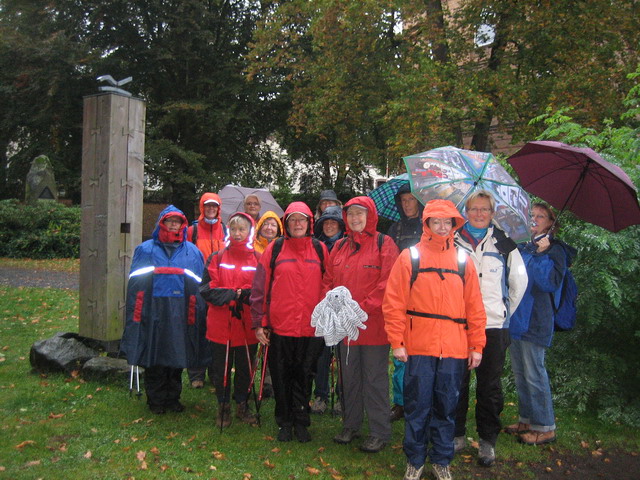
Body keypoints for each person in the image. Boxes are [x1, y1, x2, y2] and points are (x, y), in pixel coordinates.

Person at [383, 199, 487, 480]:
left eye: (447, 222)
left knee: (446, 407)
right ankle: (415, 460)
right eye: (436, 221)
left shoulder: (463, 260)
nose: (442, 227)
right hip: (419, 346)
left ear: (454, 225)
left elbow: (475, 307)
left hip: (454, 347)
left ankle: (442, 460)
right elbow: (393, 303)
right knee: (417, 406)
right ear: (426, 224)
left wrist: (476, 345)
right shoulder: (410, 257)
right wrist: (397, 342)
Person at [453, 191, 528, 466]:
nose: (479, 214)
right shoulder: (452, 241)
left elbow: (519, 282)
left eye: (485, 209)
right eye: (474, 209)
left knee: (490, 387)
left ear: (492, 213)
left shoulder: (505, 244)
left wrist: (505, 312)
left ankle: (487, 441)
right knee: (456, 383)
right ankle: (455, 435)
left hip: (494, 326)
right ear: (466, 211)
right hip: (458, 325)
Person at [323, 196, 399, 453]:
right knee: (349, 378)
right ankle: (351, 424)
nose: (355, 219)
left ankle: (379, 431)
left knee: (374, 379)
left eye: (360, 214)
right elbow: (328, 280)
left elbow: (388, 283)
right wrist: (332, 305)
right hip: (345, 329)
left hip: (373, 327)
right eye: (351, 214)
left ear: (370, 216)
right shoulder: (340, 246)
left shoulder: (384, 244)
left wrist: (359, 310)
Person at [250, 202, 328, 442]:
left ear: (309, 223)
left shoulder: (319, 249)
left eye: (302, 220)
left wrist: (327, 318)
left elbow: (328, 285)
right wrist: (259, 321)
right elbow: (260, 288)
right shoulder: (275, 249)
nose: (297, 224)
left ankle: (301, 420)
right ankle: (284, 422)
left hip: (310, 327)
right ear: (286, 223)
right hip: (281, 326)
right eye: (293, 220)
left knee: (305, 374)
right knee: (282, 375)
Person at [120, 205, 209, 414]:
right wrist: (139, 311)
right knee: (156, 353)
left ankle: (173, 397)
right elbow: (136, 285)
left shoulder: (192, 252)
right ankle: (156, 399)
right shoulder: (146, 249)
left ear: (182, 225)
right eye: (170, 221)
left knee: (178, 354)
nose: (173, 225)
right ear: (162, 223)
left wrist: (194, 310)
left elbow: (198, 286)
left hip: (180, 311)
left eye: (177, 222)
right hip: (154, 310)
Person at [505, 203, 573, 446]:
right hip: (517, 318)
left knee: (535, 373)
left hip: (537, 320)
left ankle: (545, 427)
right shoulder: (524, 245)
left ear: (551, 222)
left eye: (540, 216)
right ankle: (526, 419)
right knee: (521, 373)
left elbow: (548, 284)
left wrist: (543, 253)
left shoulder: (556, 251)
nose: (534, 219)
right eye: (531, 215)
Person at [199, 212, 260, 428]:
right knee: (220, 369)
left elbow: (261, 292)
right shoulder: (216, 257)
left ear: (249, 231)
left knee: (245, 368)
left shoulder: (258, 259)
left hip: (246, 325)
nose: (237, 233)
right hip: (221, 324)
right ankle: (223, 406)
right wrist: (233, 294)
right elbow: (207, 289)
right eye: (233, 229)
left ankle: (242, 404)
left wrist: (244, 295)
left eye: (241, 229)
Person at [387, 184, 424, 422]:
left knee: (421, 353)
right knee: (399, 353)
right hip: (400, 296)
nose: (407, 204)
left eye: (411, 199)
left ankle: (419, 400)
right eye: (404, 200)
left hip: (424, 298)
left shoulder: (428, 226)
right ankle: (400, 402)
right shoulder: (395, 228)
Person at [186, 192, 227, 388]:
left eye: (214, 206)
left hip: (218, 286)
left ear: (219, 209)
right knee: (197, 329)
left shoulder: (225, 230)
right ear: (202, 208)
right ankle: (196, 374)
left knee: (216, 331)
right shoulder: (192, 230)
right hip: (197, 286)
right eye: (208, 206)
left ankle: (215, 371)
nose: (211, 209)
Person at [310, 204, 346, 414]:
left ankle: (342, 395)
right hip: (321, 307)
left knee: (341, 356)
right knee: (322, 355)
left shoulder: (346, 246)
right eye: (327, 223)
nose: (330, 226)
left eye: (334, 222)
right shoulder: (315, 246)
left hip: (341, 307)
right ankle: (320, 395)